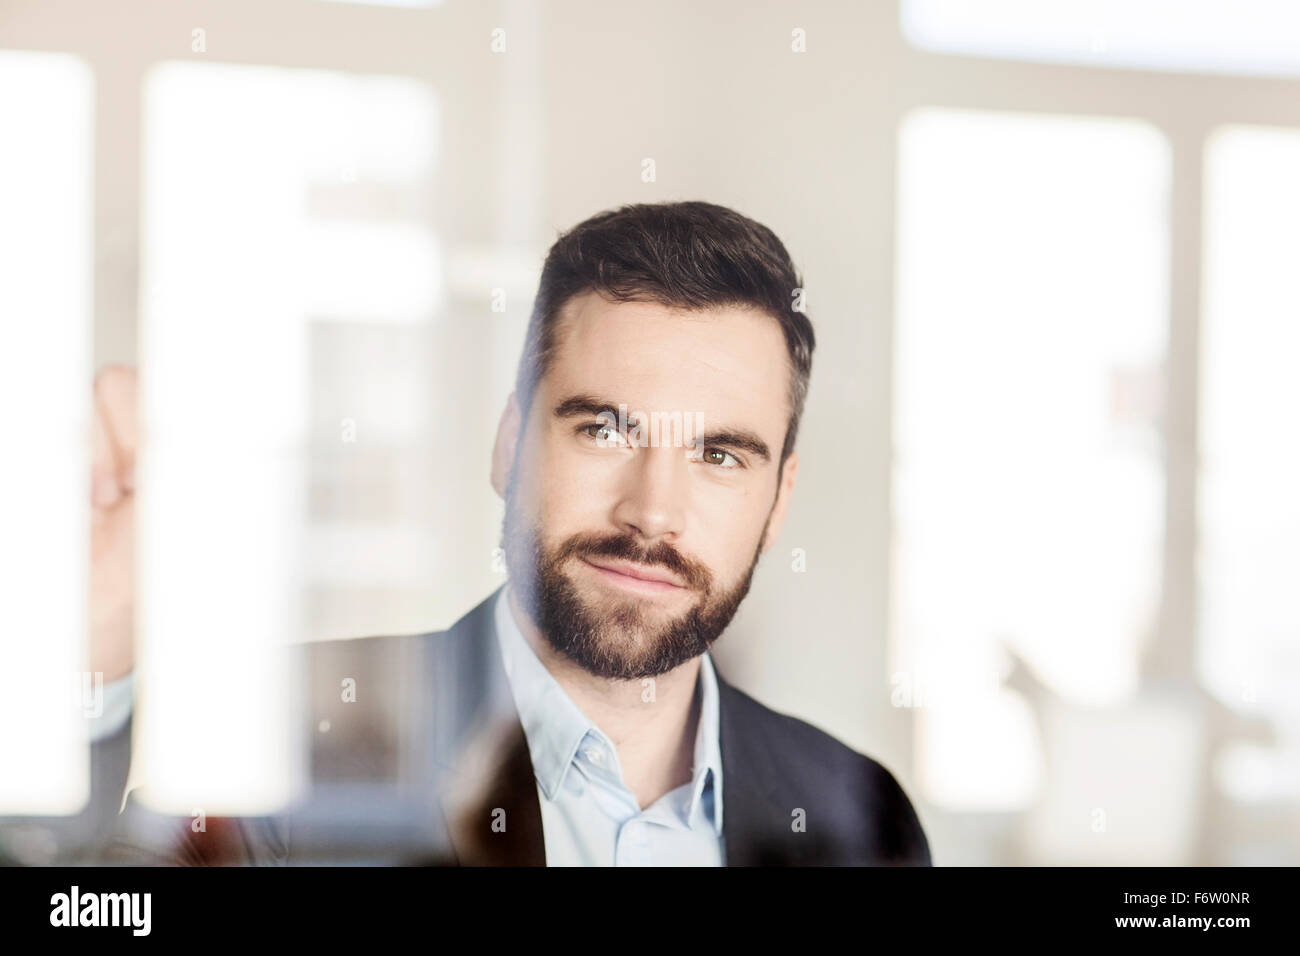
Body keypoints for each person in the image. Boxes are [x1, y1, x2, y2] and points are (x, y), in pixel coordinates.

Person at [36, 201, 931, 866]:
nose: (653, 513)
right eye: (605, 429)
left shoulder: (859, 813)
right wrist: (86, 661)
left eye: (720, 456)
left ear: (778, 501)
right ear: (510, 445)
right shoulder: (292, 737)